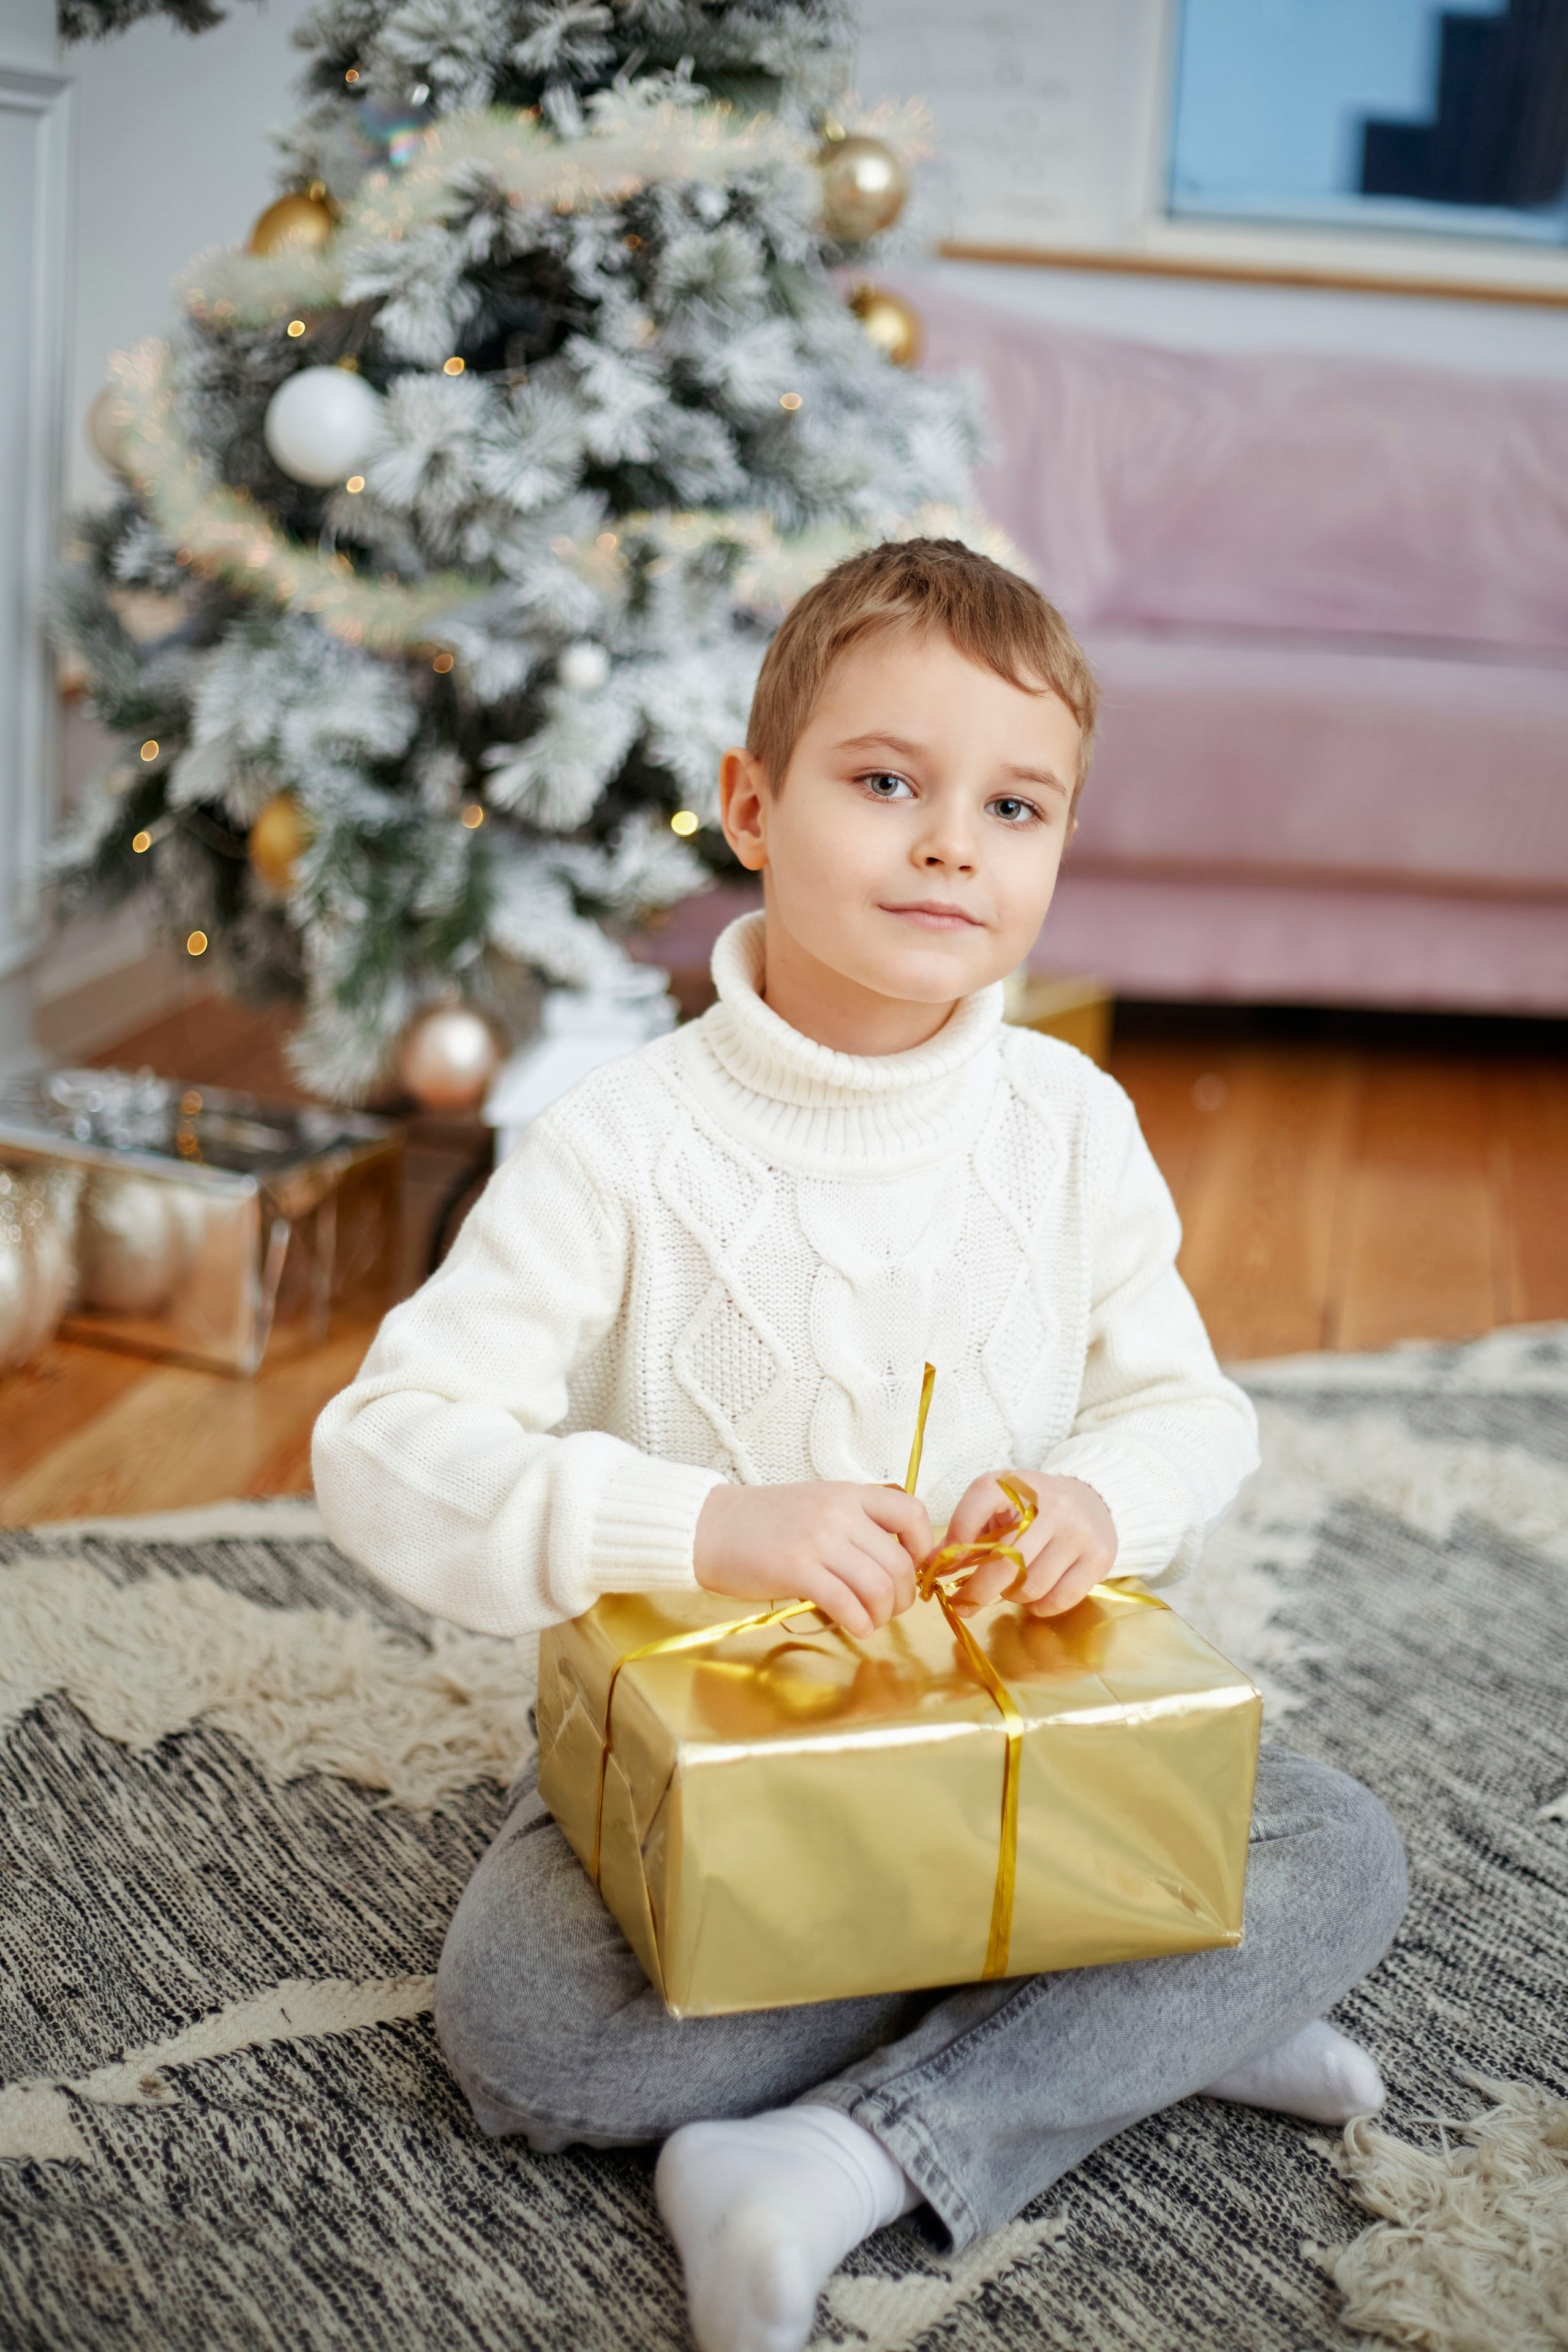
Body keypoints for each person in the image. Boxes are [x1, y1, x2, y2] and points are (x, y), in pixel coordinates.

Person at [313, 538, 1407, 2352]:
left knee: (1339, 1855)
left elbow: (1189, 1411)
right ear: (752, 806)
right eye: (885, 782)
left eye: (1014, 804)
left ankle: (837, 2158)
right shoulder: (617, 1147)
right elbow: (386, 1447)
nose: (949, 843)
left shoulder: (1068, 1123)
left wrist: (1094, 1499)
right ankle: (1131, 2013)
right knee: (527, 2035)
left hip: (1022, 1749)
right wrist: (708, 1524)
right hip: (712, 1764)